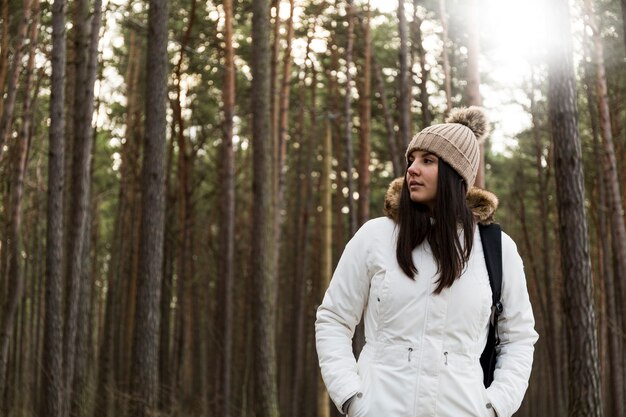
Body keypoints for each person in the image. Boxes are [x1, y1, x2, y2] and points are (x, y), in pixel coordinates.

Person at [315, 107, 538, 417]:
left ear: (455, 174)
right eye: (411, 160)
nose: (412, 169)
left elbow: (519, 337)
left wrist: (495, 406)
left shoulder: (496, 248)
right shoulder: (376, 236)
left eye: (427, 161)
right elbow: (333, 319)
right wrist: (352, 399)